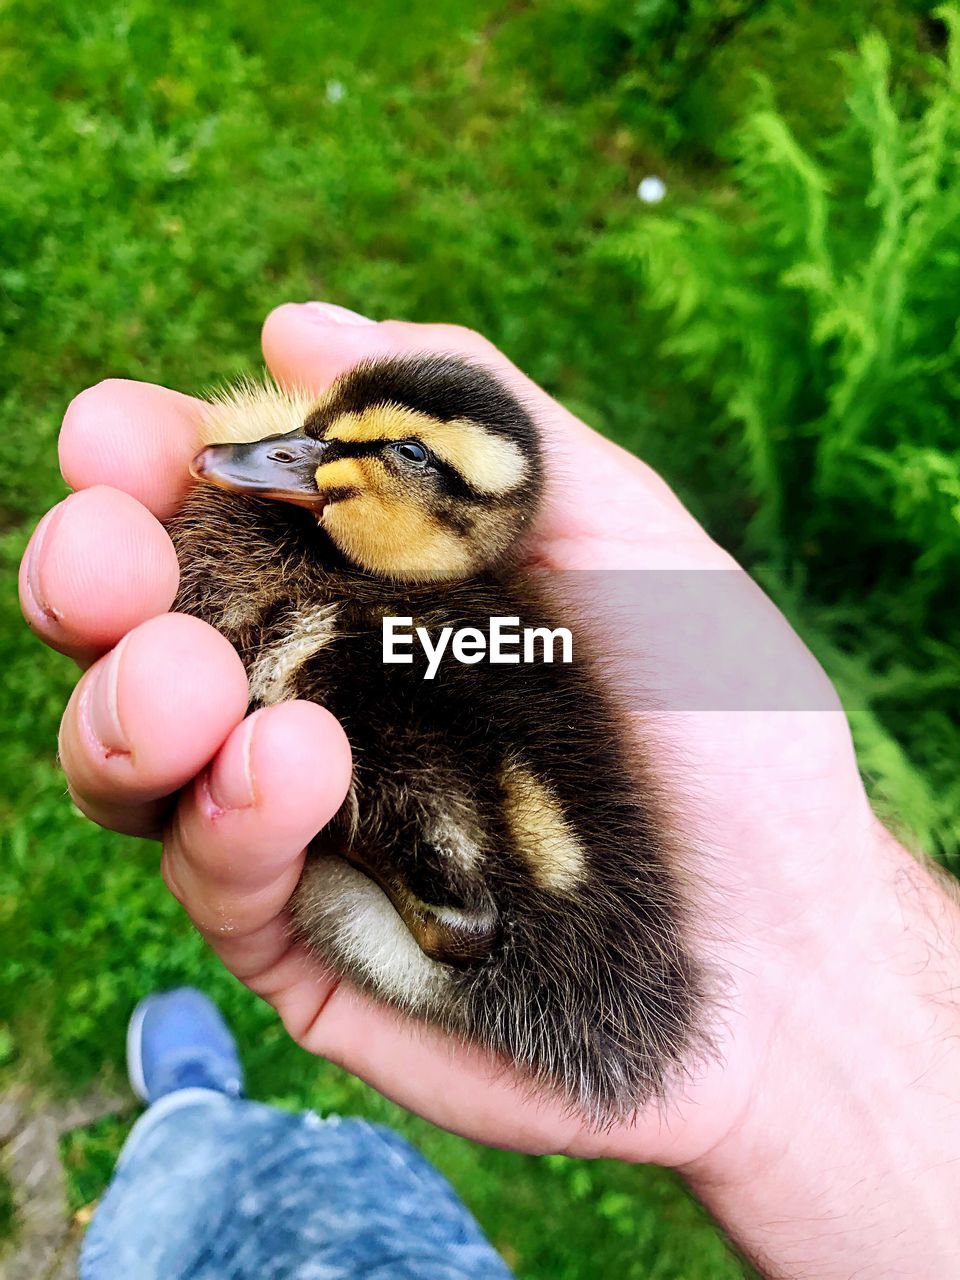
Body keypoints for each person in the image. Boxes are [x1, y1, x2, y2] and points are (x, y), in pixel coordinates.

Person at [19, 301, 960, 1279]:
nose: (293, 458)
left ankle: (191, 1120)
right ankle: (200, 1125)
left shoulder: (380, 651)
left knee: (349, 715)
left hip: (489, 933)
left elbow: (451, 761)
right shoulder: (443, 613)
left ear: (477, 511)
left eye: (407, 460)